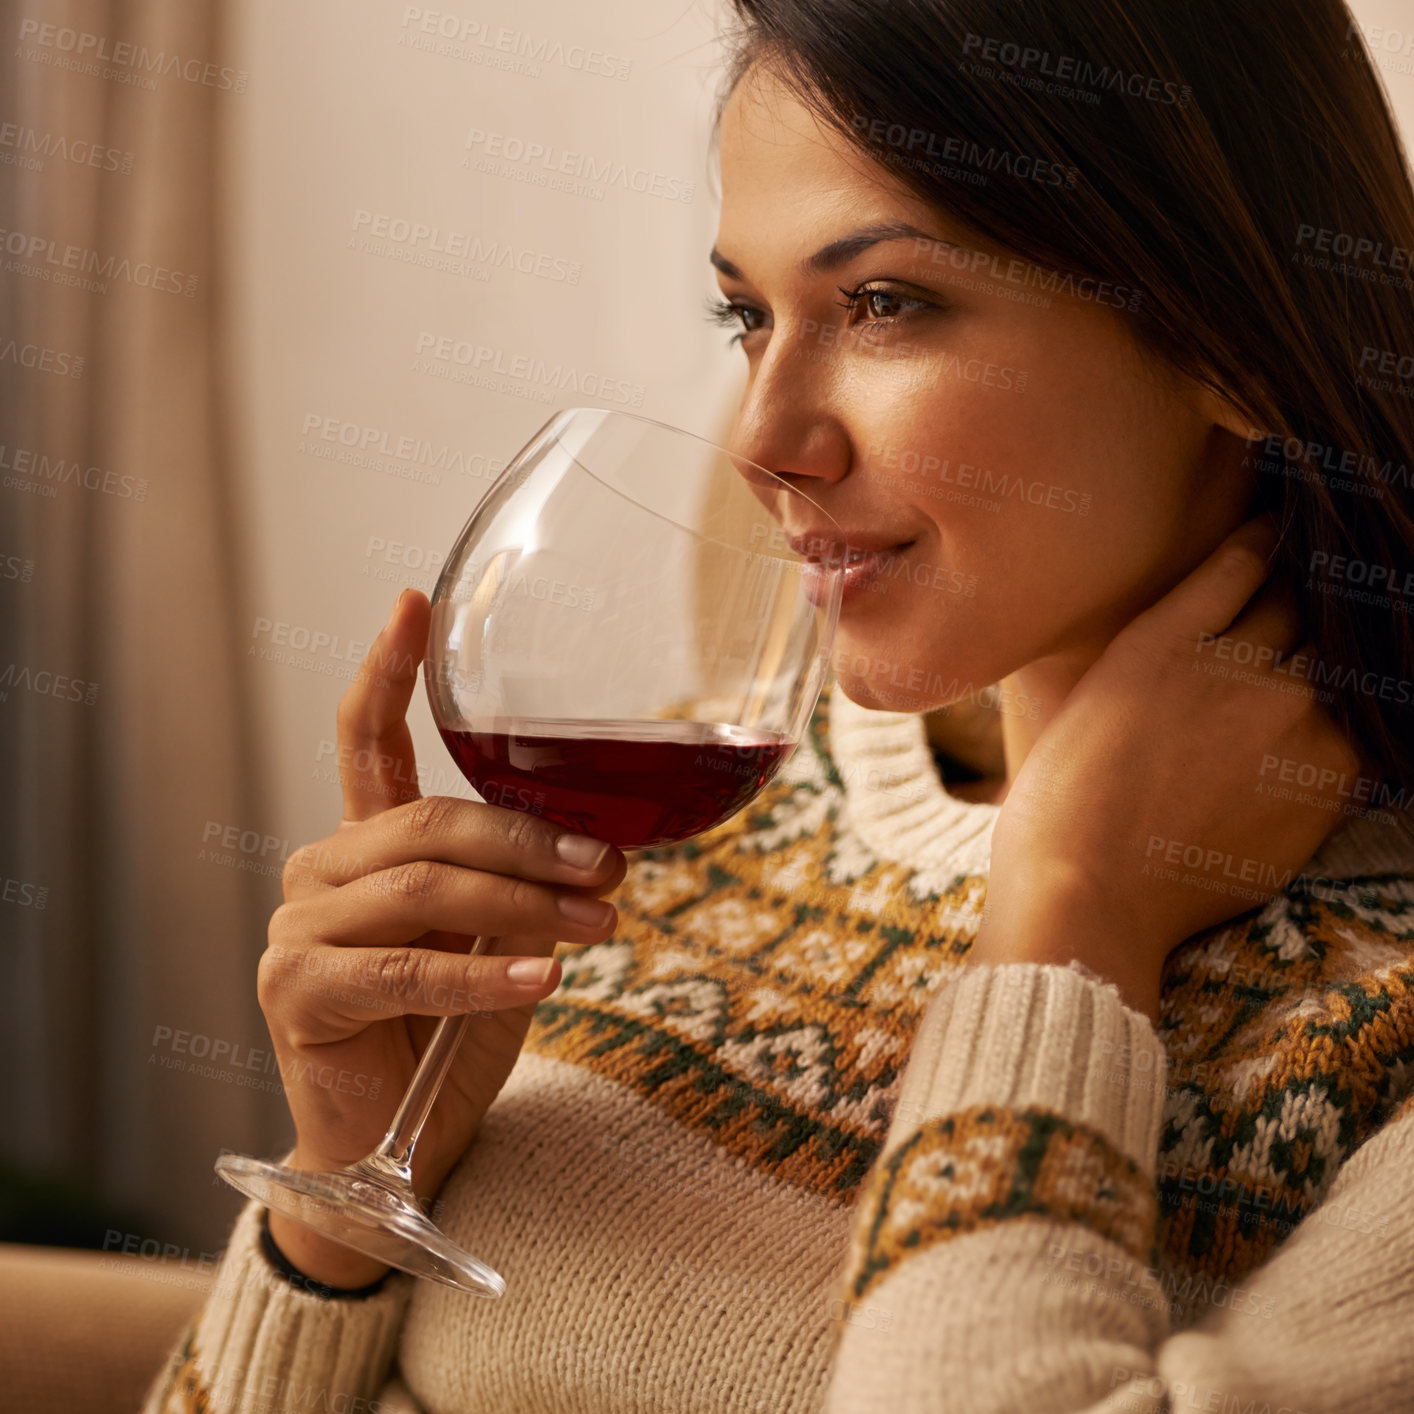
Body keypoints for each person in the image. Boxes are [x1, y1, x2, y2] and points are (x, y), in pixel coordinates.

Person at [144, 0, 1414, 1409]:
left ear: (1227, 335)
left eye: (884, 304)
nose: (761, 439)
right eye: (746, 315)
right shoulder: (725, 809)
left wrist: (1066, 917)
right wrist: (338, 1212)